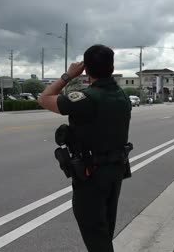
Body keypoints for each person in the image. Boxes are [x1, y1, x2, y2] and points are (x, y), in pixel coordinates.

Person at [38, 45, 131, 252]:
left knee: (95, 235)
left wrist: (68, 76)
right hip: (115, 170)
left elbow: (44, 99)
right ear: (112, 66)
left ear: (86, 70)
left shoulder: (86, 99)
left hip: (92, 176)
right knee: (104, 230)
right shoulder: (122, 97)